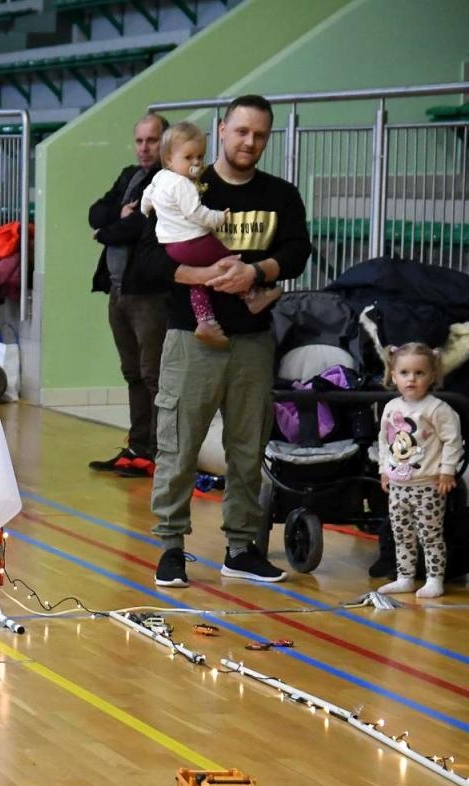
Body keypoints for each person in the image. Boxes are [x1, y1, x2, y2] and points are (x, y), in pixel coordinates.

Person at [127, 94, 311, 587]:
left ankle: (241, 547)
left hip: (252, 342)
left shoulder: (281, 195)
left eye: (260, 135)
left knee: (248, 449)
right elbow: (145, 263)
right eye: (242, 131)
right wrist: (204, 273)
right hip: (191, 339)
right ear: (223, 129)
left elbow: (297, 252)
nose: (250, 142)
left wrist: (255, 270)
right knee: (179, 447)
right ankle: (170, 546)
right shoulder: (181, 182)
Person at [141, 121, 280, 350]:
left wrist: (147, 210)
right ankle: (252, 295)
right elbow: (196, 213)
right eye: (189, 158)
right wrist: (219, 218)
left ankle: (204, 320)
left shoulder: (159, 178)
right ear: (169, 160)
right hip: (193, 241)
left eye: (200, 156)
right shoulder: (182, 184)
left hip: (172, 247)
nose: (196, 163)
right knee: (231, 260)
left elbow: (147, 198)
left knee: (199, 282)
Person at [88, 113, 168, 477]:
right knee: (132, 372)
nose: (144, 148)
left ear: (165, 141)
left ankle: (157, 451)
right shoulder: (128, 175)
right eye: (139, 140)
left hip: (149, 295)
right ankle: (137, 446)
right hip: (118, 290)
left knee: (153, 374)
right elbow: (96, 212)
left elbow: (139, 227)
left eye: (151, 140)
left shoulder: (169, 181)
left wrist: (109, 229)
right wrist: (114, 219)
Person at [377, 342, 463, 599]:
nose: (411, 379)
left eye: (419, 373)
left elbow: (453, 440)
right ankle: (405, 577)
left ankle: (434, 578)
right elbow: (384, 440)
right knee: (401, 533)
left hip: (428, 485)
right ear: (394, 376)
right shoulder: (391, 407)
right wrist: (384, 469)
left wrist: (447, 471)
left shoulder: (437, 409)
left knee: (430, 534)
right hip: (398, 485)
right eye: (404, 373)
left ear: (431, 376)